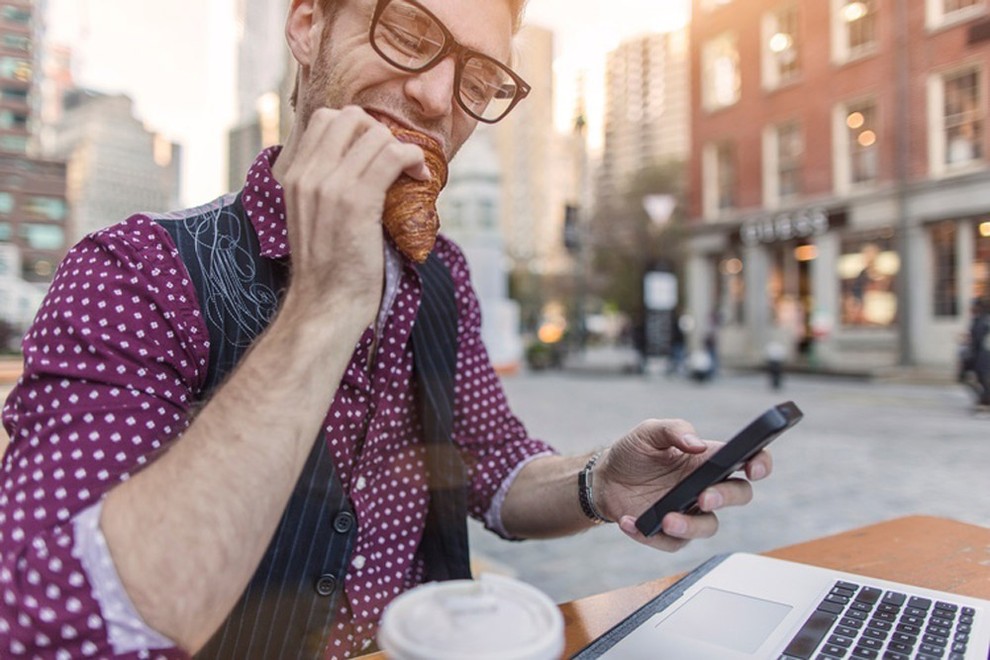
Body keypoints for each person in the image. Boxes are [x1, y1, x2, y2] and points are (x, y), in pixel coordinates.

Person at [0, 0, 773, 657]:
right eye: (406, 31)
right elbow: (56, 622)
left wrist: (598, 483)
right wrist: (327, 300)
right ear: (307, 25)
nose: (439, 96)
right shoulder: (133, 272)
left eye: (479, 79)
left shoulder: (445, 274)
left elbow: (491, 465)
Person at [968, 297, 990, 412]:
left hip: (982, 355)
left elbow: (977, 339)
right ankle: (983, 400)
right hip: (980, 355)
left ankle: (985, 401)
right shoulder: (980, 319)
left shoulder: (982, 320)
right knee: (981, 379)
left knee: (983, 379)